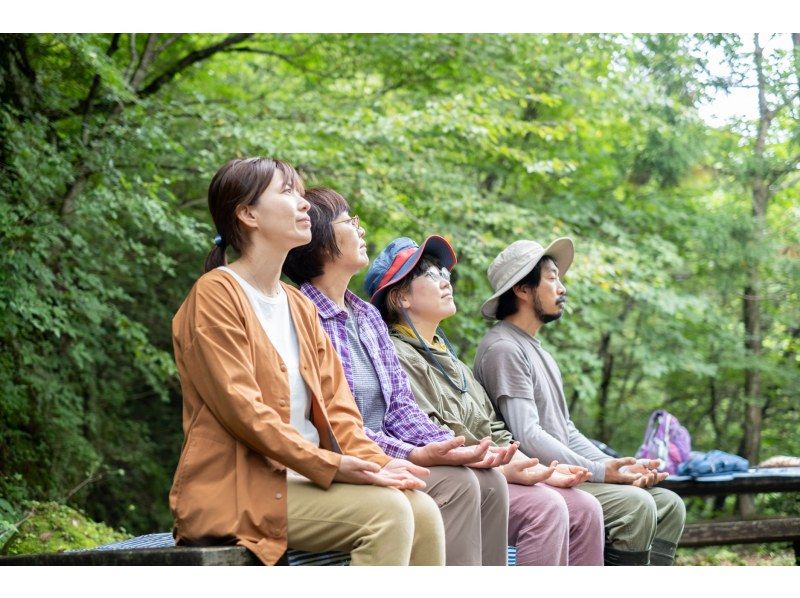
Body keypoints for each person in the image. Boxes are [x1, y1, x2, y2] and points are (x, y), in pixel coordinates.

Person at [170, 158, 445, 566]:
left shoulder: (299, 305)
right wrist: (332, 465)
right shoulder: (216, 295)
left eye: (301, 193)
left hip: (304, 481)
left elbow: (339, 413)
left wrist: (379, 464)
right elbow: (244, 411)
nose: (303, 204)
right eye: (287, 192)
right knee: (388, 514)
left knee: (423, 509)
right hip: (239, 491)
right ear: (248, 215)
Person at [283, 187, 510, 565]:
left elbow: (402, 409)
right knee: (459, 484)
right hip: (345, 460)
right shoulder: (305, 314)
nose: (361, 229)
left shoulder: (368, 317)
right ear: (321, 242)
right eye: (349, 222)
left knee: (490, 481)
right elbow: (335, 425)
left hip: (383, 452)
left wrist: (451, 446)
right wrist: (411, 453)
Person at [369, 235, 605, 566]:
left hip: (485, 471)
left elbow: (495, 428)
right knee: (547, 508)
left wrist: (535, 468)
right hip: (447, 477)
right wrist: (507, 468)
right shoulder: (395, 355)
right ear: (401, 297)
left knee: (585, 507)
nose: (446, 281)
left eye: (445, 273)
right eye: (431, 274)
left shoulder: (454, 363)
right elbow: (428, 434)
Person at [473, 238, 686, 566]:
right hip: (542, 479)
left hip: (568, 472)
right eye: (552, 278)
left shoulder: (538, 351)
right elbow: (527, 435)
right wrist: (599, 472)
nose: (562, 288)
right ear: (522, 290)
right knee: (636, 507)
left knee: (670, 506)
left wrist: (618, 467)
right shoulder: (504, 349)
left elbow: (566, 430)